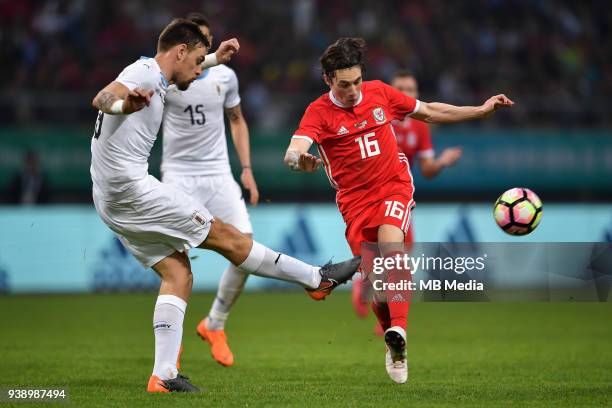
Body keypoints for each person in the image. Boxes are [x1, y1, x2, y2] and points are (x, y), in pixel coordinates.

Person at [90, 20, 360, 393]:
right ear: (181, 51)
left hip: (108, 197)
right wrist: (124, 103)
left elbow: (183, 72)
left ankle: (163, 376)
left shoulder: (160, 73)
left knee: (178, 274)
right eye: (199, 59)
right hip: (132, 190)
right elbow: (102, 98)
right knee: (227, 238)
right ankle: (316, 279)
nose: (202, 68)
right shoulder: (144, 73)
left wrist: (216, 57)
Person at [284, 38, 513, 384]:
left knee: (393, 249)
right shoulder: (318, 112)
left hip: (394, 186)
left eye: (357, 81)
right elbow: (294, 149)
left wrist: (480, 110)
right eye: (344, 84)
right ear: (328, 80)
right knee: (377, 284)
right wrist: (298, 162)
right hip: (354, 202)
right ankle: (395, 346)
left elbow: (431, 111)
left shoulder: (380, 93)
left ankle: (400, 330)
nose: (352, 90)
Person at [161, 13, 258, 368]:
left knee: (245, 248)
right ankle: (172, 343)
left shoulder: (225, 77)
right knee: (175, 260)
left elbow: (237, 120)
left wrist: (246, 169)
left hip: (218, 173)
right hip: (179, 175)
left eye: (204, 44)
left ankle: (214, 323)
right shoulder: (168, 78)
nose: (199, 53)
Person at [351, 70, 463, 329]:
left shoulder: (419, 127)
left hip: (397, 196)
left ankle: (385, 314)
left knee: (400, 256)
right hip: (367, 196)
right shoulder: (377, 117)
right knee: (381, 257)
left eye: (411, 90)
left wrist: (442, 162)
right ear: (391, 92)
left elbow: (426, 170)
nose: (406, 94)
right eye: (400, 88)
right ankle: (368, 288)